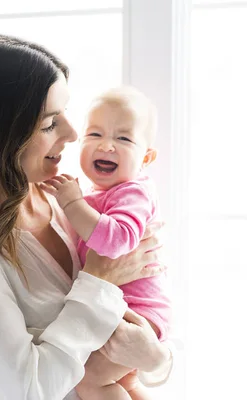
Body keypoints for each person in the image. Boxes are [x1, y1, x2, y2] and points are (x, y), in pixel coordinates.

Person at [0, 33, 173, 400]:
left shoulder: (69, 201)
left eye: (65, 112)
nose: (73, 132)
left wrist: (155, 358)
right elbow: (29, 389)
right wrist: (99, 277)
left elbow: (146, 319)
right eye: (50, 123)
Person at [40, 86, 171, 400]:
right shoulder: (100, 195)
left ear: (146, 157)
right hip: (118, 311)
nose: (107, 145)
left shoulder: (133, 192)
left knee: (89, 382)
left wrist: (73, 205)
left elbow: (117, 242)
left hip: (136, 315)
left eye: (124, 138)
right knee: (125, 385)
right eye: (95, 134)